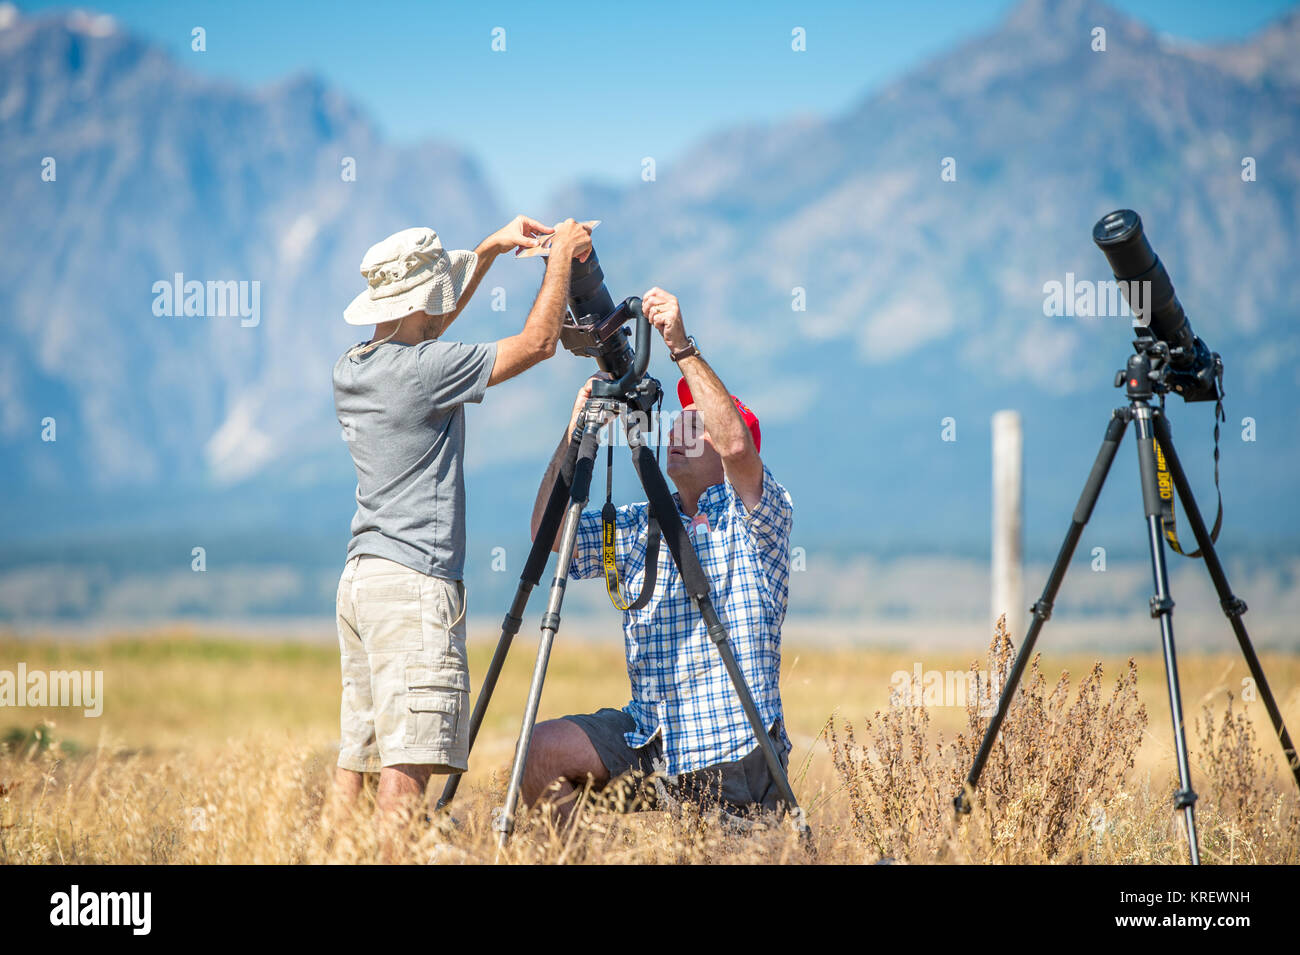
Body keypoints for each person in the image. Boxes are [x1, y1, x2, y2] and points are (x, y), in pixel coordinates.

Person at [330, 216, 592, 834]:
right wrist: (563, 259)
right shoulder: (424, 371)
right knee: (405, 775)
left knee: (357, 767)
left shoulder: (355, 366)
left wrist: (492, 251)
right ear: (425, 301)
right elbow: (537, 344)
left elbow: (425, 327)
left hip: (363, 583)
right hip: (414, 588)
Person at [522, 287, 796, 826]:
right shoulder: (644, 520)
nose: (678, 427)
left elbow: (739, 449)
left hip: (735, 746)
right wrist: (574, 429)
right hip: (653, 738)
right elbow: (547, 536)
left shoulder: (757, 518)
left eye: (697, 423)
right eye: (681, 418)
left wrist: (680, 346)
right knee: (540, 752)